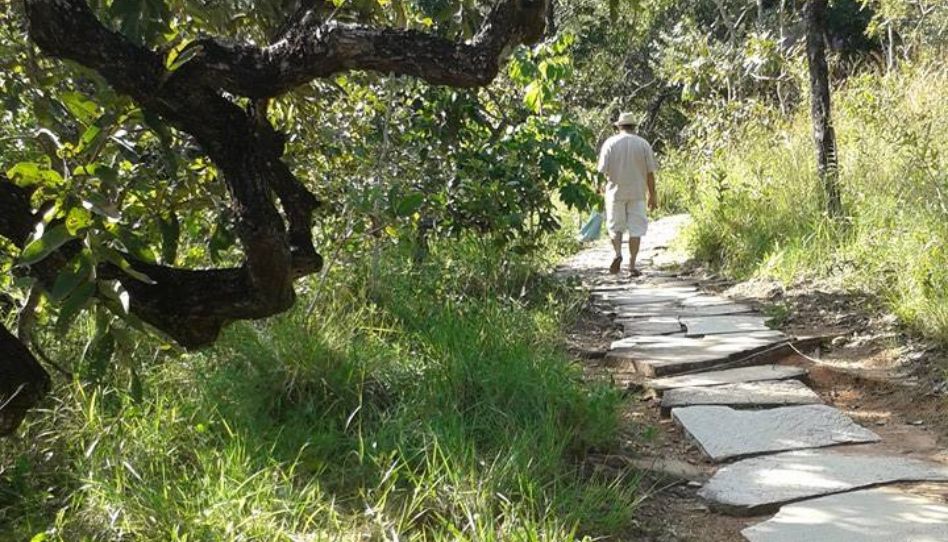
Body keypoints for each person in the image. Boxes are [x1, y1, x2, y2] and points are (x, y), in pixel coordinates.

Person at [596, 112, 658, 276]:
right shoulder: (643, 144)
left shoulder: (610, 143)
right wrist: (653, 195)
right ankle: (631, 265)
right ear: (634, 127)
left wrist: (598, 188)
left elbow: (601, 171)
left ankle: (617, 253)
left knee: (615, 227)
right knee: (636, 229)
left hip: (614, 192)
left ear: (618, 127)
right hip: (637, 193)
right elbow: (650, 173)